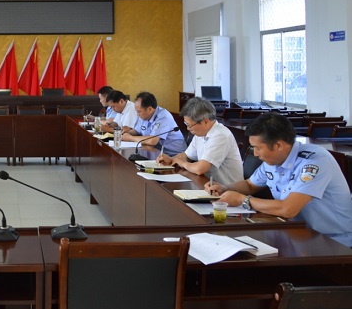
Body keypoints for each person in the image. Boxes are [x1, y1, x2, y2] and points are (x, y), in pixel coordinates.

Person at [206, 113, 352, 247]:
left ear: (278, 145)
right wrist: (225, 188)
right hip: (295, 232)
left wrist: (242, 200)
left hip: (333, 241)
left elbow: (288, 209)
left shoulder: (314, 162)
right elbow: (250, 185)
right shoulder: (273, 160)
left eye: (258, 148)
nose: (255, 153)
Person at [157, 97, 243, 185]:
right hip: (209, 185)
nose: (187, 128)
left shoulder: (220, 135)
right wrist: (171, 159)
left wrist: (182, 163)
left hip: (228, 189)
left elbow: (200, 169)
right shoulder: (200, 134)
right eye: (186, 124)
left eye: (189, 125)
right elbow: (186, 155)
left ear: (205, 121)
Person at [122, 91, 186, 154]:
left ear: (149, 109)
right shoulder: (144, 115)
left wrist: (130, 138)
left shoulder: (163, 116)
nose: (137, 114)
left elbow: (152, 140)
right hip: (155, 151)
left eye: (139, 111)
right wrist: (125, 133)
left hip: (174, 155)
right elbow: (137, 131)